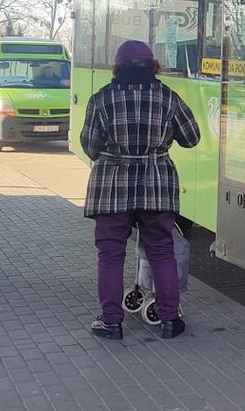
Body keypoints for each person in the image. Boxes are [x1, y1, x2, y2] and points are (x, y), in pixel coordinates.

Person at [81, 40, 201, 340]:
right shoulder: (169, 98)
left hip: (111, 188)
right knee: (162, 252)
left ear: (117, 66)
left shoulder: (101, 99)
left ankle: (111, 322)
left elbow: (91, 147)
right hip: (157, 186)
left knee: (110, 255)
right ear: (153, 66)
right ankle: (170, 320)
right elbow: (192, 138)